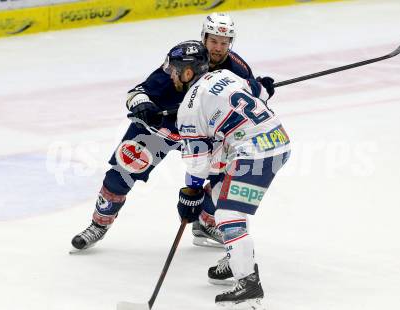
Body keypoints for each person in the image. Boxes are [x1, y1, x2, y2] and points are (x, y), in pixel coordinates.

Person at [70, 13, 275, 251]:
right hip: (162, 129)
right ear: (203, 38)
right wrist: (143, 105)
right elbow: (137, 92)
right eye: (213, 41)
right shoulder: (184, 58)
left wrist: (263, 90)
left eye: (224, 42)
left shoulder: (236, 67)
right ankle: (99, 223)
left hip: (203, 134)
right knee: (123, 171)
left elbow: (247, 100)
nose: (218, 48)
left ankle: (206, 222)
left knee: (226, 174)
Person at [166, 40, 290, 308]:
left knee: (227, 214)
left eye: (175, 70)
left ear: (188, 72)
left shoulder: (189, 106)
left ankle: (248, 284)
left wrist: (191, 195)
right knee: (225, 195)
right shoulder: (225, 74)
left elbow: (198, 165)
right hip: (278, 141)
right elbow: (258, 91)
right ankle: (238, 260)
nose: (172, 75)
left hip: (253, 153)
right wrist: (263, 87)